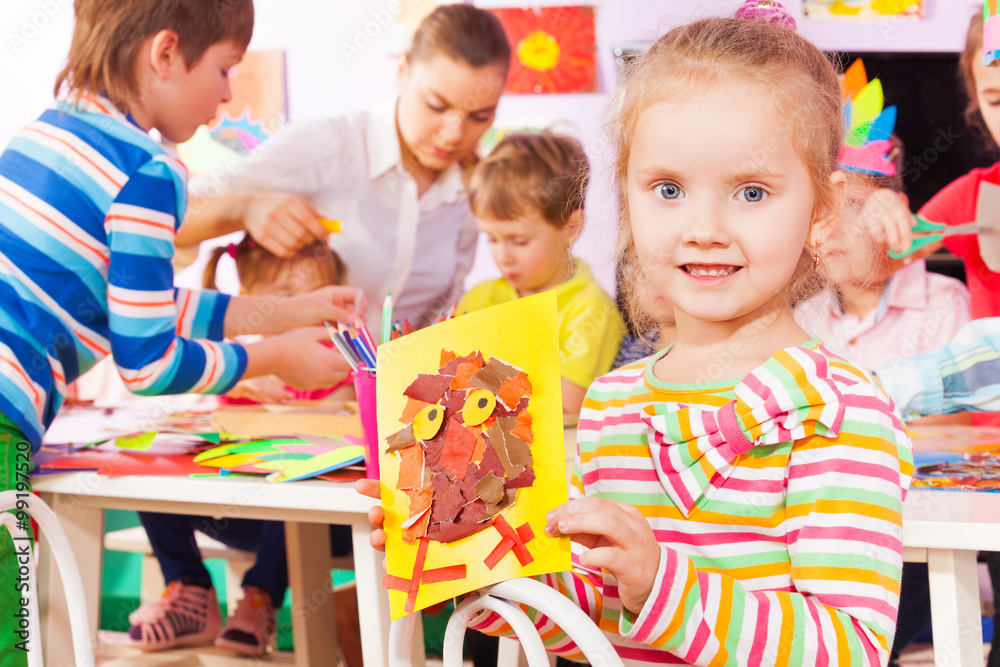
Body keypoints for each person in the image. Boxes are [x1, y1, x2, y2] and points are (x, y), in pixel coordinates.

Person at [360, 2, 913, 664]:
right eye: (669, 189)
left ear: (822, 207)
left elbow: (849, 648)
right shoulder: (612, 406)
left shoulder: (840, 411)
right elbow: (606, 618)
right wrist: (469, 555)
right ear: (626, 197)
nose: (703, 226)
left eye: (753, 192)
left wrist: (662, 582)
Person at [0, 1, 362, 663]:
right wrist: (270, 355)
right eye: (224, 70)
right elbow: (150, 361)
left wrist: (285, 312)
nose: (226, 97)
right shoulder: (149, 169)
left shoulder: (48, 131)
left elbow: (139, 305)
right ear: (164, 55)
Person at [173, 4, 511, 335]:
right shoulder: (328, 146)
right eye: (437, 105)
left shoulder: (472, 188)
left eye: (479, 116)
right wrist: (243, 209)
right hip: (297, 387)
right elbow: (168, 219)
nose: (454, 133)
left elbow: (441, 315)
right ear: (403, 69)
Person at [455, 131, 625, 417]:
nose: (502, 256)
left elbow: (565, 409)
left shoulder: (591, 312)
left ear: (571, 228)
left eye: (519, 241)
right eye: (492, 239)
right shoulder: (479, 298)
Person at [794, 130, 971, 385]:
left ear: (895, 211)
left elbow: (956, 421)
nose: (832, 229)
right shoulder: (805, 317)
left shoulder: (945, 303)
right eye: (818, 211)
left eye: (852, 205)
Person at [205, 234, 355, 404]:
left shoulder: (334, 359)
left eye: (317, 296)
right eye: (286, 297)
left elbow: (341, 409)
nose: (307, 312)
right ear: (246, 299)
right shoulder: (241, 362)